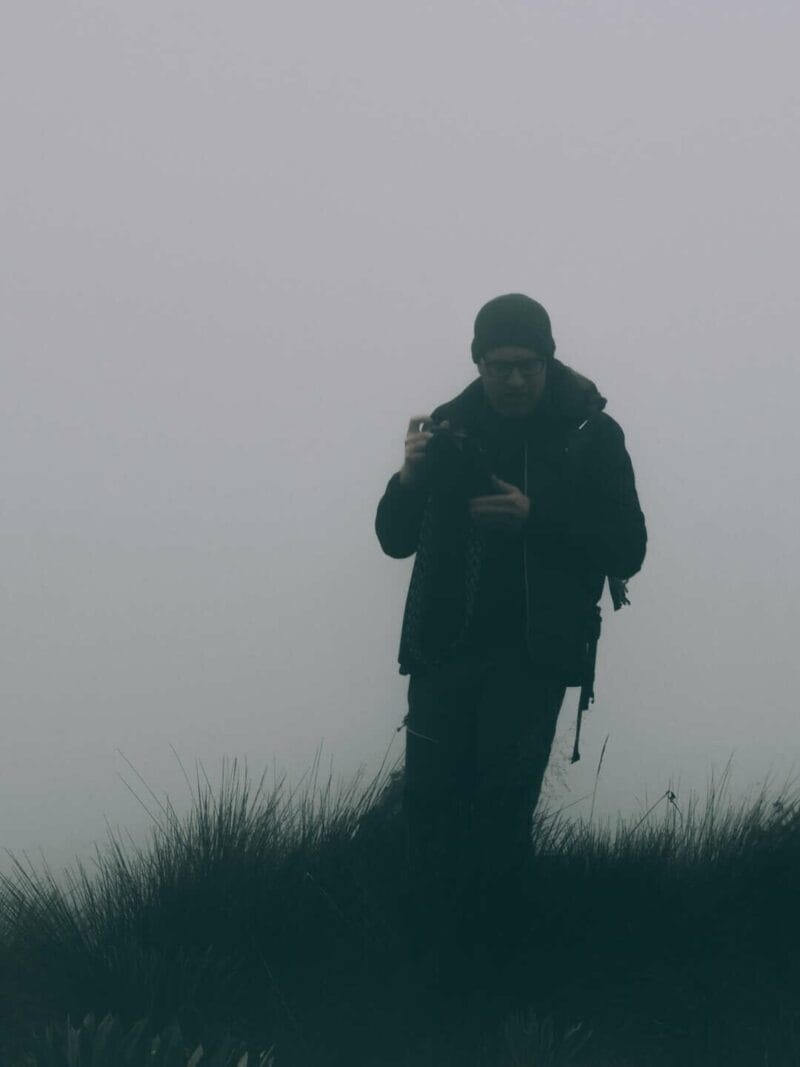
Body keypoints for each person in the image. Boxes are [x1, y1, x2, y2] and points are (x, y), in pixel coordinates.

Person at [374, 293, 647, 983]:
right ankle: (427, 975)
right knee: (429, 812)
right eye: (501, 366)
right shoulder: (449, 429)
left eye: (528, 364)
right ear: (479, 363)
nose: (516, 380)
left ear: (549, 360)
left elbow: (628, 546)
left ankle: (493, 977)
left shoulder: (589, 432)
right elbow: (392, 538)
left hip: (533, 657)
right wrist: (409, 477)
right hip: (443, 650)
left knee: (500, 818)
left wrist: (535, 517)